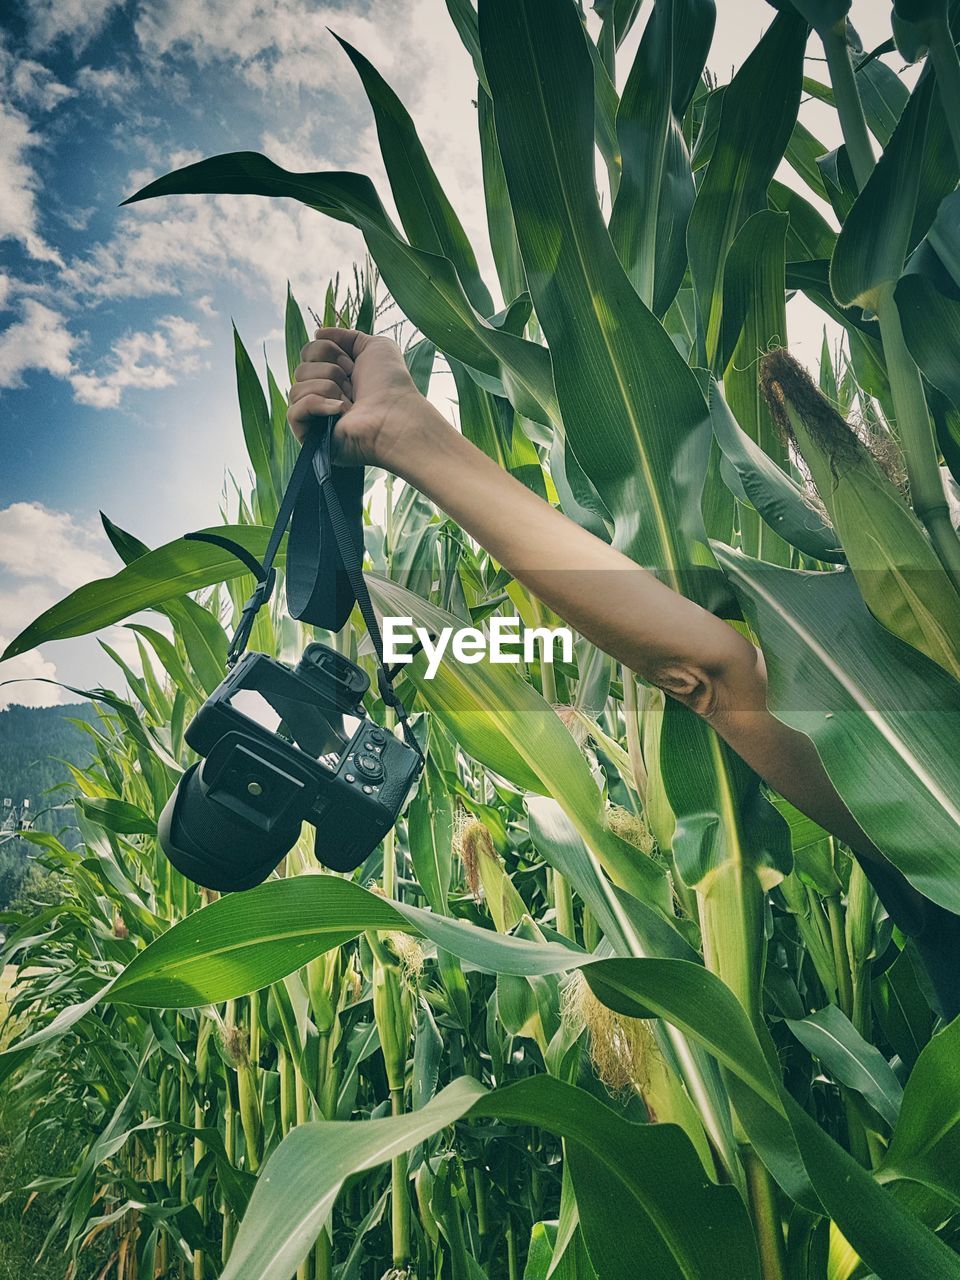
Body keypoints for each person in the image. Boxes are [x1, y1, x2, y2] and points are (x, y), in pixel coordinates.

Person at [288, 325, 960, 1018]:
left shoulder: (926, 797)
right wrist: (403, 432)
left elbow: (711, 670)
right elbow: (708, 667)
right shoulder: (924, 781)